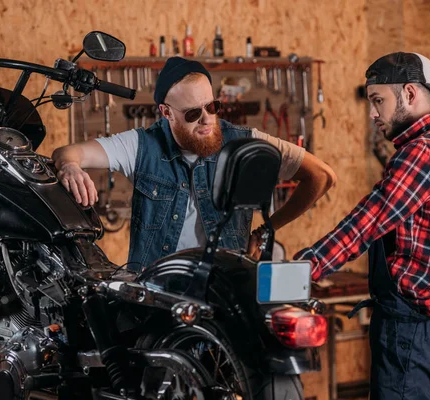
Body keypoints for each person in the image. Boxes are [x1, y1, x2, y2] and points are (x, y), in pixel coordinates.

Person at [285, 52, 430, 399]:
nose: (372, 114)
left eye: (378, 100)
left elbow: (366, 223)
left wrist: (299, 270)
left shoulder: (424, 152)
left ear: (410, 94)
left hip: (411, 335)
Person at [52, 56, 336, 270]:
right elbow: (69, 152)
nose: (207, 121)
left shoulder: (245, 142)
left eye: (211, 107)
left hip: (222, 294)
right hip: (158, 297)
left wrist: (266, 231)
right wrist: (71, 167)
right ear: (166, 113)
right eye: (192, 114)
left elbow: (321, 176)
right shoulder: (141, 145)